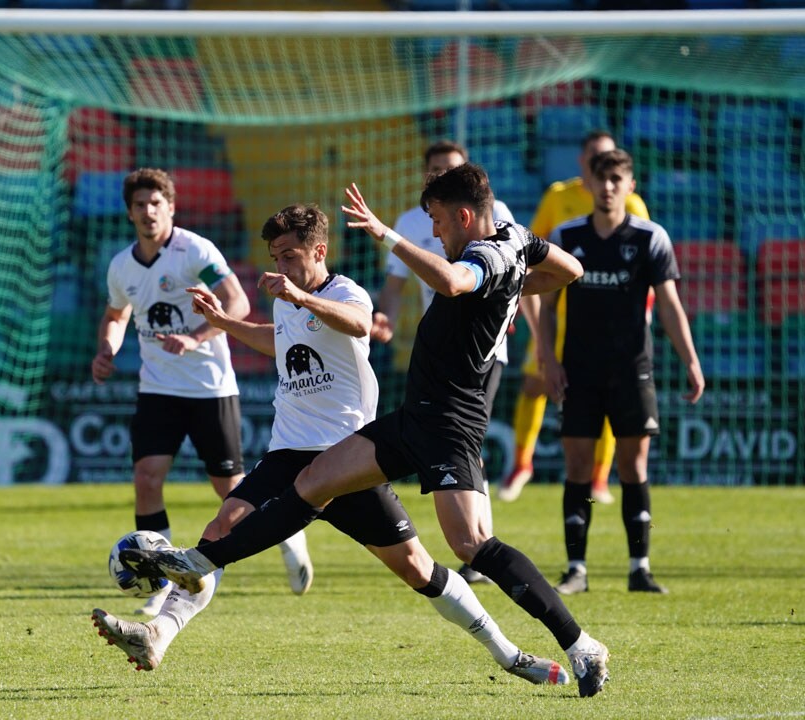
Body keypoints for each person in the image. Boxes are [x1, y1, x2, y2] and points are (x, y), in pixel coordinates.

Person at [123, 165, 614, 698]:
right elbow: (571, 270)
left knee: (470, 544)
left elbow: (450, 283)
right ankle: (198, 562)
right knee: (313, 481)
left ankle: (580, 643)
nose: (436, 234)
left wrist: (389, 235)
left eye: (438, 223)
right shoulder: (517, 242)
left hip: (453, 421)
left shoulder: (487, 255)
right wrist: (516, 286)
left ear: (466, 216)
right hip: (411, 416)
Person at [91, 168, 313, 615]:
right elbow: (116, 315)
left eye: (157, 204)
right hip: (156, 389)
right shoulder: (121, 266)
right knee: (147, 478)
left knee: (229, 486)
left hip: (209, 388)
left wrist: (193, 337)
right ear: (130, 212)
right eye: (140, 205)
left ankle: (288, 533)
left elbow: (238, 303)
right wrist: (107, 350)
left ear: (171, 208)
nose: (148, 211)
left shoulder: (194, 249)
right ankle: (158, 579)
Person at [540, 149, 704, 595]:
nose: (608, 186)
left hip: (633, 370)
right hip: (579, 371)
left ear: (630, 187)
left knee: (633, 465)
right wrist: (546, 359)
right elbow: (546, 304)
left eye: (617, 179)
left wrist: (690, 359)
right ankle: (576, 570)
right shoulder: (566, 236)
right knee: (577, 466)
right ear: (588, 185)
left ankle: (639, 568)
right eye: (601, 178)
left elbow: (669, 305)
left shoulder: (651, 238)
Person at [373, 139, 518, 585]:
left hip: (483, 350)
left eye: (449, 170)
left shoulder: (500, 218)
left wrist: (515, 314)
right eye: (434, 169)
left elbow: (518, 268)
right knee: (450, 443)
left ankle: (480, 549)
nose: (440, 176)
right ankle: (478, 548)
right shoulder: (412, 220)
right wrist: (387, 320)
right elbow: (395, 287)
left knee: (464, 442)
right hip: (438, 346)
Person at [499, 130, 652, 505]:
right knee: (536, 383)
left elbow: (647, 269)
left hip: (607, 320)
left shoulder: (632, 204)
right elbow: (532, 246)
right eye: (595, 157)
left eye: (609, 157)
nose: (602, 165)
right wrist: (520, 295)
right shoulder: (559, 196)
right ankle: (522, 464)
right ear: (582, 161)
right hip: (557, 310)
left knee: (608, 397)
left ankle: (600, 479)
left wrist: (644, 313)